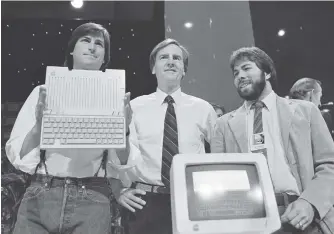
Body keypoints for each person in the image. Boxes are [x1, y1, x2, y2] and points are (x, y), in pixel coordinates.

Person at [5, 22, 130, 234]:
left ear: (104, 57)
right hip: (41, 195)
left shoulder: (116, 97)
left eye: (99, 44)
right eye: (86, 40)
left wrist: (123, 131)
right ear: (72, 49)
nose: (92, 47)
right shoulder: (43, 93)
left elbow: (123, 161)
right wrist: (38, 127)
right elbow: (19, 156)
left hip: (92, 197)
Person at [211, 47, 334, 234]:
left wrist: (310, 202)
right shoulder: (223, 125)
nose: (240, 76)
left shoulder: (306, 111)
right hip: (249, 221)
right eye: (236, 73)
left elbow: (329, 165)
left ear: (267, 72)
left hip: (302, 215)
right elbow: (220, 179)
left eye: (246, 68)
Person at [115, 38, 217, 234]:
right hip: (145, 202)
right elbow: (121, 157)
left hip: (193, 201)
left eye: (177, 58)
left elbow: (221, 153)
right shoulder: (134, 107)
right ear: (154, 68)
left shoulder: (203, 109)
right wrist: (120, 190)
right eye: (164, 57)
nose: (171, 61)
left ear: (184, 70)